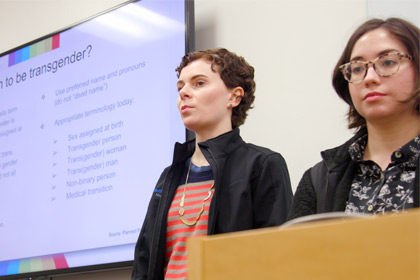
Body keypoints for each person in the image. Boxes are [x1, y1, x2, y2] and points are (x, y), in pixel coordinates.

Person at [132, 48, 293, 280]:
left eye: (198, 83)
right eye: (180, 87)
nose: (184, 93)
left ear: (234, 96)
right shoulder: (169, 176)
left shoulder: (263, 165)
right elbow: (144, 263)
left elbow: (278, 260)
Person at [288, 17, 419, 220]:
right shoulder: (320, 179)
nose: (369, 78)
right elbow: (295, 251)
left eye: (387, 62)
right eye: (357, 68)